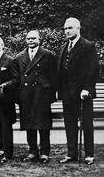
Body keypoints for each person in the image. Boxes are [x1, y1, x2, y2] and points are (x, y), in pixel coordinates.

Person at [58, 18, 100, 165]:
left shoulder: (88, 46)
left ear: (78, 28)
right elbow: (61, 71)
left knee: (86, 124)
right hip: (67, 95)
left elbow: (93, 70)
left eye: (70, 28)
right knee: (69, 124)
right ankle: (72, 154)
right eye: (65, 29)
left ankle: (89, 154)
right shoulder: (63, 47)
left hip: (83, 94)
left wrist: (87, 89)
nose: (67, 31)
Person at [13, 30, 58, 164]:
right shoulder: (19, 57)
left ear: (39, 39)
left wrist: (50, 95)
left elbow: (54, 77)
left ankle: (44, 152)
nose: (31, 40)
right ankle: (32, 151)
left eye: (33, 38)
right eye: (28, 39)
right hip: (26, 95)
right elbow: (16, 79)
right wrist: (18, 97)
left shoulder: (48, 55)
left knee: (43, 125)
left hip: (42, 95)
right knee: (29, 125)